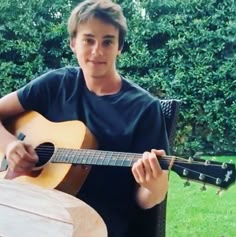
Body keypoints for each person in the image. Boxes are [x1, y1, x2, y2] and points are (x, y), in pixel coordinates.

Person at [0, 0, 169, 236]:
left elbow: (145, 199)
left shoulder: (145, 109)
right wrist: (10, 145)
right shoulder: (56, 84)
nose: (97, 51)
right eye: (88, 40)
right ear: (73, 44)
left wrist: (155, 187)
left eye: (108, 41)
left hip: (98, 221)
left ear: (119, 47)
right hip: (34, 207)